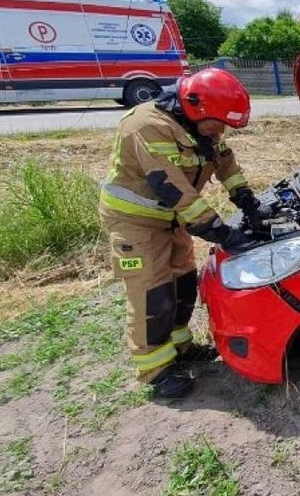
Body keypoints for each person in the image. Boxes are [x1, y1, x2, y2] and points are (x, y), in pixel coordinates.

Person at [99, 68, 270, 399]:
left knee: (183, 283)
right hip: (136, 221)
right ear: (196, 107)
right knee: (153, 293)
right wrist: (221, 232)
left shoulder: (201, 127)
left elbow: (225, 165)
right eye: (218, 123)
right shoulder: (145, 126)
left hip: (170, 220)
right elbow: (172, 189)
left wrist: (249, 202)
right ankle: (155, 370)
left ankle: (180, 347)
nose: (221, 131)